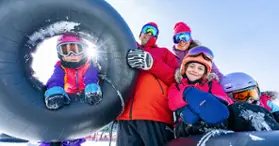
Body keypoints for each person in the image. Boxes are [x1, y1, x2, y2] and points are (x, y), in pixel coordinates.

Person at [116, 22, 179, 146]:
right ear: (140, 34)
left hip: (155, 115)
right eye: (147, 30)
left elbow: (175, 79)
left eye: (153, 32)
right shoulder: (128, 49)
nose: (149, 34)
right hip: (125, 117)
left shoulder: (164, 53)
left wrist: (152, 63)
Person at [40, 33, 102, 146]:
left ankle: (73, 140)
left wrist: (91, 87)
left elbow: (91, 76)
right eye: (65, 50)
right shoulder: (61, 66)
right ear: (59, 53)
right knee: (55, 118)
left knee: (76, 124)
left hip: (83, 99)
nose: (71, 54)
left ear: (84, 50)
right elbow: (56, 79)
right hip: (67, 97)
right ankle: (49, 142)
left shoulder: (89, 64)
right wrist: (55, 90)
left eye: (75, 49)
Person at [168, 46, 233, 138]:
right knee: (190, 113)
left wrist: (214, 101)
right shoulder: (176, 86)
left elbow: (225, 99)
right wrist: (187, 93)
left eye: (200, 69)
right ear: (185, 68)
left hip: (216, 121)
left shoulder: (211, 84)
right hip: (186, 127)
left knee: (237, 108)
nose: (195, 71)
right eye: (192, 66)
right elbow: (172, 102)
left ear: (204, 73)